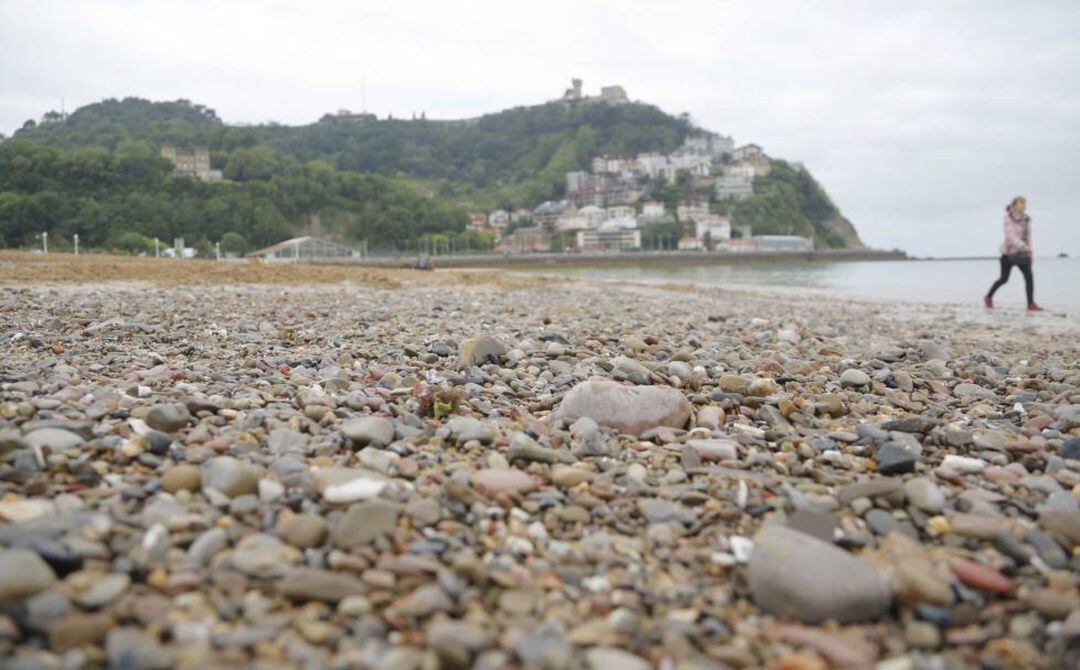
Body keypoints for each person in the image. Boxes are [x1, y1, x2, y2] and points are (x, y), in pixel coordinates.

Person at [984, 196, 1042, 311]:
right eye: (1021, 203)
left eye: (1024, 204)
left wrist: (1030, 252)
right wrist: (1024, 247)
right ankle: (988, 297)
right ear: (1014, 205)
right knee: (1004, 279)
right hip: (1008, 255)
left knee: (1029, 278)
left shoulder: (1027, 219)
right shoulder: (1008, 219)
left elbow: (1028, 237)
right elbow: (1010, 237)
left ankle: (1031, 304)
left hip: (1024, 254)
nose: (1023, 206)